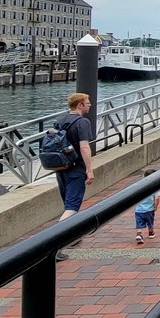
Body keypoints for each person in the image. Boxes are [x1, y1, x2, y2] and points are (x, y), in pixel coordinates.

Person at [53, 92, 95, 260]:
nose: (90, 104)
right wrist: (89, 170)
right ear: (80, 105)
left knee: (67, 203)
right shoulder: (83, 123)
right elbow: (84, 147)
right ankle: (55, 243)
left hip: (61, 167)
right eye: (87, 102)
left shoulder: (60, 120)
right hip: (76, 168)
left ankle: (72, 236)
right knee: (72, 206)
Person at [134, 167, 160, 244]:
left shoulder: (140, 186)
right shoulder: (155, 187)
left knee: (139, 223)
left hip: (139, 209)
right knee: (150, 221)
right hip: (149, 209)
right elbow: (157, 198)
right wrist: (155, 206)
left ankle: (139, 234)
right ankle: (151, 232)